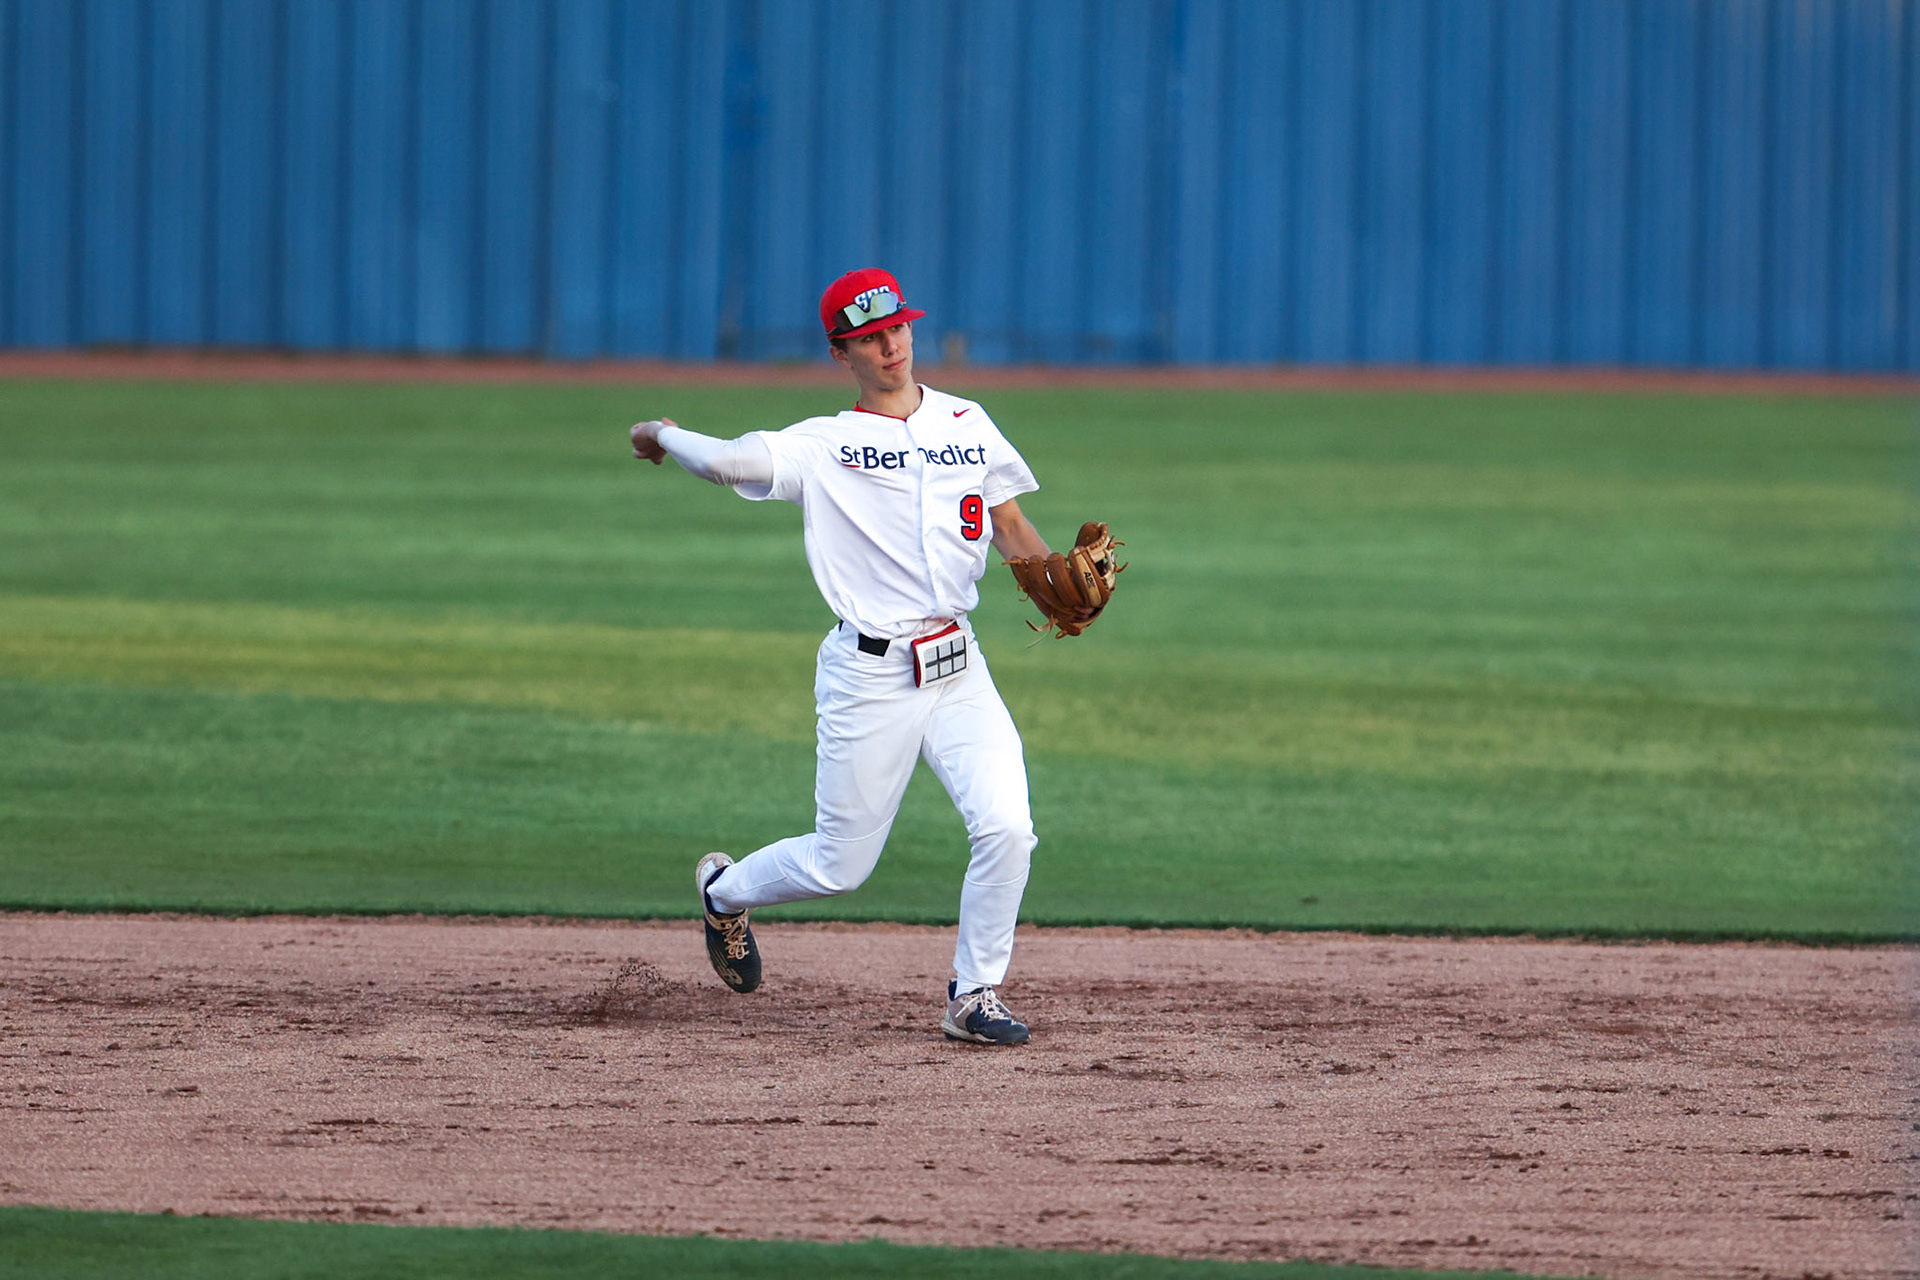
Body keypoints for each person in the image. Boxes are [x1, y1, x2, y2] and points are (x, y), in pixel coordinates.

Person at [627, 268, 1091, 1046]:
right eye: (871, 336)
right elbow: (733, 462)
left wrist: (1054, 580)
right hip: (870, 675)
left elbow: (1008, 520)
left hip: (959, 666)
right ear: (842, 351)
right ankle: (723, 892)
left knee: (1008, 826)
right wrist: (663, 436)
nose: (892, 344)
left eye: (899, 327)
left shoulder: (966, 419)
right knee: (841, 867)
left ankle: (974, 995)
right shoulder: (825, 444)